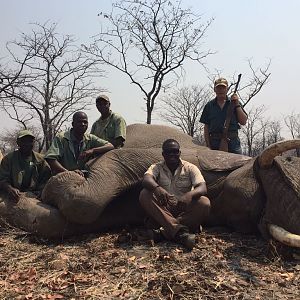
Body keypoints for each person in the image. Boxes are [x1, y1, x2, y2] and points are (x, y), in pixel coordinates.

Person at [139, 139, 210, 250]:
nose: (172, 154)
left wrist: (189, 195)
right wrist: (157, 189)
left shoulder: (190, 167)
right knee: (144, 194)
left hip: (183, 210)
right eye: (168, 152)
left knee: (204, 202)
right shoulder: (156, 167)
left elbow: (202, 187)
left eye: (175, 151)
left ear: (179, 153)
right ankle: (180, 233)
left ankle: (163, 233)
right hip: (164, 209)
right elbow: (146, 179)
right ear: (163, 154)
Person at [45, 111, 114, 176]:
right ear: (73, 124)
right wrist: (68, 173)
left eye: (85, 122)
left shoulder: (90, 138)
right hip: (62, 177)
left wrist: (92, 151)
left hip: (82, 178)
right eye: (79, 122)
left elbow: (110, 146)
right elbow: (51, 159)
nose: (83, 124)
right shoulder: (61, 138)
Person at [0, 130, 51, 202]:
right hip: (12, 195)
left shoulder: (41, 160)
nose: (27, 144)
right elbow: (2, 179)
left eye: (30, 141)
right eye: (23, 141)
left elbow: (46, 179)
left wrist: (40, 191)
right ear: (18, 143)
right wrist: (10, 188)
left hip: (34, 195)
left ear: (33, 142)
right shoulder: (8, 159)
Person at [200, 77, 248, 154]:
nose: (220, 90)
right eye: (218, 88)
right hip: (215, 143)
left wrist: (237, 104)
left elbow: (243, 121)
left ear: (227, 89)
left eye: (223, 87)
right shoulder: (209, 106)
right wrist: (208, 145)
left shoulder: (234, 103)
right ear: (214, 89)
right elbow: (206, 127)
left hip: (233, 143)